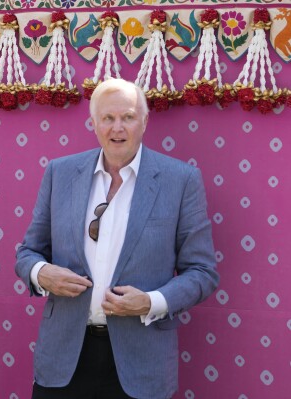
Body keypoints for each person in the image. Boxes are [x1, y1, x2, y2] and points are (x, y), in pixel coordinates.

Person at [15, 79, 219, 399]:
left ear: (145, 122)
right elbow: (28, 252)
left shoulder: (180, 180)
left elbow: (202, 272)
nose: (117, 128)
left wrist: (151, 302)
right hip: (64, 360)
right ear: (93, 123)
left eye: (128, 117)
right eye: (108, 119)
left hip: (141, 363)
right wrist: (41, 273)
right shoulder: (60, 173)